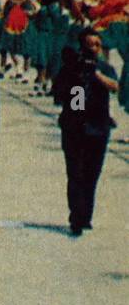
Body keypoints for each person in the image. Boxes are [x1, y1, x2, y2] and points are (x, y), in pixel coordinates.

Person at [51, 28, 118, 236]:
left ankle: (86, 215)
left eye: (97, 45)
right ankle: (76, 217)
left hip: (99, 129)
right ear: (82, 46)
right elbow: (65, 99)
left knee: (91, 175)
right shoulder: (71, 68)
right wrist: (79, 80)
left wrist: (96, 75)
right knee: (76, 174)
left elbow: (115, 86)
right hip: (76, 129)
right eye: (90, 45)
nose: (94, 49)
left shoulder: (105, 67)